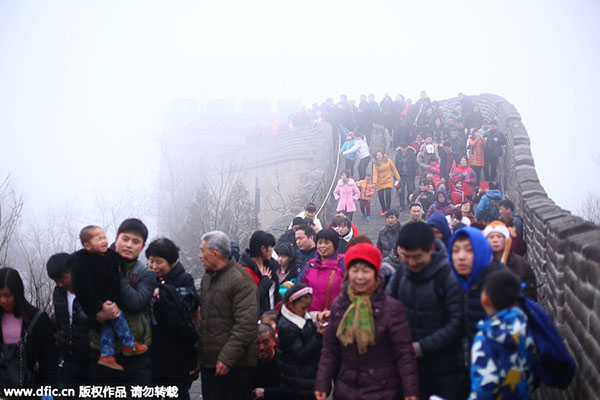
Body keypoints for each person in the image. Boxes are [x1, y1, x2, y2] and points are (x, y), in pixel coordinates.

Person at [314, 243, 419, 400]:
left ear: (376, 273)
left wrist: (410, 391)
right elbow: (330, 350)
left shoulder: (392, 308)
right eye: (355, 270)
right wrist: (322, 384)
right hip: (346, 390)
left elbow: (404, 354)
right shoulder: (340, 305)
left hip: (384, 391)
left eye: (366, 271)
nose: (360, 276)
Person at [386, 223, 464, 400]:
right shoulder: (401, 273)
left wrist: (421, 347)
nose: (412, 262)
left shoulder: (449, 276)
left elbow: (457, 323)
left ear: (431, 249)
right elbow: (388, 306)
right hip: (408, 367)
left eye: (417, 257)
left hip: (445, 369)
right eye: (406, 256)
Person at [87, 218, 155, 385]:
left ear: (143, 246)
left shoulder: (145, 273)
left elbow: (136, 303)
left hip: (136, 356)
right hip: (101, 355)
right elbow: (81, 311)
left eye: (135, 241)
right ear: (116, 240)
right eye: (125, 239)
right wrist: (99, 315)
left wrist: (115, 273)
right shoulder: (93, 266)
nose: (129, 245)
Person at [71, 225, 148, 372]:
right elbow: (81, 289)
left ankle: (107, 355)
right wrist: (97, 310)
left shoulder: (113, 258)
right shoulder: (83, 261)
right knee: (118, 317)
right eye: (98, 238)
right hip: (102, 303)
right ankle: (129, 343)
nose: (103, 240)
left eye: (103, 237)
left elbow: (137, 302)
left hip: (136, 362)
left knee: (109, 327)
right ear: (86, 245)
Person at [198, 231, 259, 400]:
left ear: (215, 253)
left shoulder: (241, 280)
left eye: (202, 251)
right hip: (210, 363)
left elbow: (246, 325)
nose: (199, 256)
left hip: (235, 365)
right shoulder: (207, 279)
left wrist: (226, 359)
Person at [469, 270, 537, 399]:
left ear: (484, 300)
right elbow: (532, 368)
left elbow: (484, 391)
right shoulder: (522, 324)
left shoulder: (485, 338)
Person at [147, 238, 200, 398]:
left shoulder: (184, 280)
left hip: (177, 357)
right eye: (151, 261)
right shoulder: (146, 279)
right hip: (152, 356)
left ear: (171, 262)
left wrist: (162, 294)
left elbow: (190, 303)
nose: (154, 267)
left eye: (159, 262)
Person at [0, 267, 58, 387]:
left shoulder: (37, 319)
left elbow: (49, 359)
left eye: (7, 295)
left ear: (17, 293)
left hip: (29, 387)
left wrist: (48, 389)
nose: (3, 301)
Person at [46, 253, 92, 391]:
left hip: (91, 359)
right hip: (68, 358)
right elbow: (60, 321)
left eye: (62, 278)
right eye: (56, 280)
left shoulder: (91, 291)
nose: (59, 284)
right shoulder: (58, 293)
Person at [277, 284, 323, 399]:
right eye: (303, 308)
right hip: (296, 382)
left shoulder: (304, 318)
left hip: (307, 379)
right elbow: (300, 354)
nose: (306, 311)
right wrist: (318, 336)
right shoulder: (287, 326)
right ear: (291, 304)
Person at [483, 222, 537, 301]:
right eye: (491, 237)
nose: (495, 240)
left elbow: (528, 291)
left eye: (499, 236)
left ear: (506, 240)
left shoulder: (518, 262)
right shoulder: (483, 262)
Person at [298, 228, 345, 312]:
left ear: (335, 244)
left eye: (326, 243)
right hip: (312, 316)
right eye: (320, 243)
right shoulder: (310, 265)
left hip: (336, 317)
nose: (322, 246)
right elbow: (301, 288)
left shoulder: (342, 264)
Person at [239, 231, 282, 315]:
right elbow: (248, 300)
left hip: (273, 317)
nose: (272, 250)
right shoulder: (244, 272)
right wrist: (264, 282)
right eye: (270, 247)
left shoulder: (271, 267)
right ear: (263, 249)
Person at [251, 324, 281, 400]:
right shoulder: (249, 362)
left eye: (266, 342)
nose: (261, 348)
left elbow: (291, 390)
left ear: (274, 342)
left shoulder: (284, 361)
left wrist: (267, 392)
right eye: (257, 343)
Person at [373, 151, 401, 215]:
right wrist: (374, 182)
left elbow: (394, 168)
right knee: (380, 196)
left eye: (379, 155)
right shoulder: (375, 163)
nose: (378, 156)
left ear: (382, 155)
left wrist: (397, 177)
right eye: (377, 155)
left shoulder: (388, 160)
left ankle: (388, 209)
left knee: (388, 195)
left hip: (388, 179)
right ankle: (384, 209)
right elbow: (375, 173)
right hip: (380, 181)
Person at [395, 143, 418, 211]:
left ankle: (409, 203)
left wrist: (416, 174)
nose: (404, 149)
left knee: (410, 190)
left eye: (405, 148)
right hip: (401, 175)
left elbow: (415, 164)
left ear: (407, 148)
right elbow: (395, 166)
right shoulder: (398, 155)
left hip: (409, 175)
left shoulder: (412, 154)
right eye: (402, 148)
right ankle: (402, 205)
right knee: (401, 191)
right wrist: (395, 176)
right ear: (400, 148)